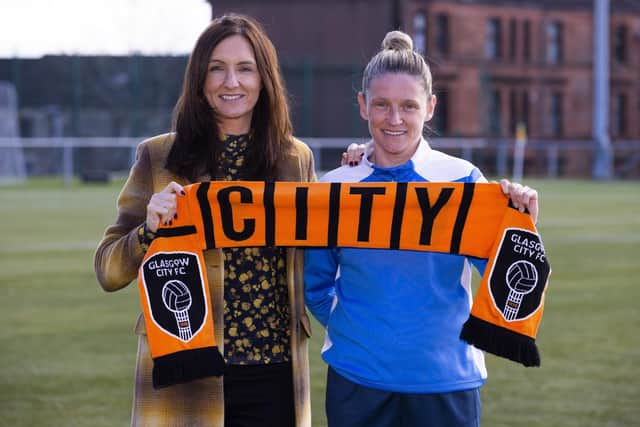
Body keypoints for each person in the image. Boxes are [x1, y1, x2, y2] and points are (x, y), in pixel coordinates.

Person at [304, 30, 539, 427]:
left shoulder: (463, 179)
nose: (394, 119)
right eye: (382, 105)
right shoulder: (335, 186)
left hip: (446, 381)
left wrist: (521, 227)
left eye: (408, 106)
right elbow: (315, 284)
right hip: (357, 380)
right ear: (363, 106)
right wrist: (358, 330)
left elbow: (503, 279)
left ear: (430, 107)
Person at [94, 14, 316, 427]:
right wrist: (148, 231)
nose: (231, 82)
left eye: (245, 68)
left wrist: (361, 166)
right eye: (217, 68)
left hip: (275, 374)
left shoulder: (295, 159)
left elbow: (322, 238)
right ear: (199, 79)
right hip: (187, 371)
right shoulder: (158, 157)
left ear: (264, 78)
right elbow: (108, 271)